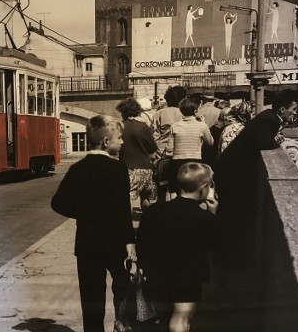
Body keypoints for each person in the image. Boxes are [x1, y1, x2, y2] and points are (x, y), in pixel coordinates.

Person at [51, 115, 136, 332]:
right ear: (107, 142)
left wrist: (85, 212)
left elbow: (58, 203)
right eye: (119, 138)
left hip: (87, 242)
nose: (123, 142)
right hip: (114, 241)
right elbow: (122, 210)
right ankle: (121, 322)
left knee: (91, 299)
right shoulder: (118, 170)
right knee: (123, 285)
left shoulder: (78, 168)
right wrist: (129, 241)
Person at [214, 90, 298, 265]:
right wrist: (277, 141)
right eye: (293, 109)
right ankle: (226, 257)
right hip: (233, 173)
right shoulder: (270, 119)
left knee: (230, 214)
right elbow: (264, 143)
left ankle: (225, 255)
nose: (295, 113)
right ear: (282, 109)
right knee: (232, 215)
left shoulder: (269, 117)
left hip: (232, 171)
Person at [137, 162, 218, 332]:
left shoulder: (153, 212)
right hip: (187, 279)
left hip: (157, 277)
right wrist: (214, 216)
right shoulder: (203, 218)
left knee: (166, 319)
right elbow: (218, 245)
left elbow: (142, 245)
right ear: (203, 188)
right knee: (181, 319)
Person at [116, 98, 159, 210]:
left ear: (122, 111)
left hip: (128, 169)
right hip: (145, 168)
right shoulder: (143, 126)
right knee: (145, 198)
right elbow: (152, 148)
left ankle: (127, 225)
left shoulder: (119, 127)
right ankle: (147, 222)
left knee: (127, 199)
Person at [165, 97, 213, 197]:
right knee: (195, 188)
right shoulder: (202, 126)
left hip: (177, 161)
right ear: (195, 111)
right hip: (195, 161)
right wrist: (204, 124)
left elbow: (169, 149)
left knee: (174, 189)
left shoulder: (174, 126)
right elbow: (210, 142)